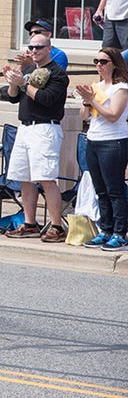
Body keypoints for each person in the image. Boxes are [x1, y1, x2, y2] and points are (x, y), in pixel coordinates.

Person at [0, 33, 70, 242]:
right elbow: (12, 97)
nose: (34, 51)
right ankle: (30, 223)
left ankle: (57, 226)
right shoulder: (29, 70)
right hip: (25, 128)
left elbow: (46, 99)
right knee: (25, 179)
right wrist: (13, 82)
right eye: (31, 47)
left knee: (46, 178)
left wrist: (23, 84)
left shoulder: (58, 74)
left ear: (49, 49)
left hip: (45, 129)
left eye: (39, 47)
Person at [75, 48, 128, 251]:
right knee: (101, 190)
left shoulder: (121, 88)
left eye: (104, 61)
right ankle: (105, 230)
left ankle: (119, 233)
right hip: (94, 139)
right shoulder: (96, 86)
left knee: (114, 189)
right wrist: (86, 100)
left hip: (113, 142)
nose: (99, 64)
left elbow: (114, 114)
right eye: (96, 61)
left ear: (114, 64)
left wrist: (93, 99)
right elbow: (83, 116)